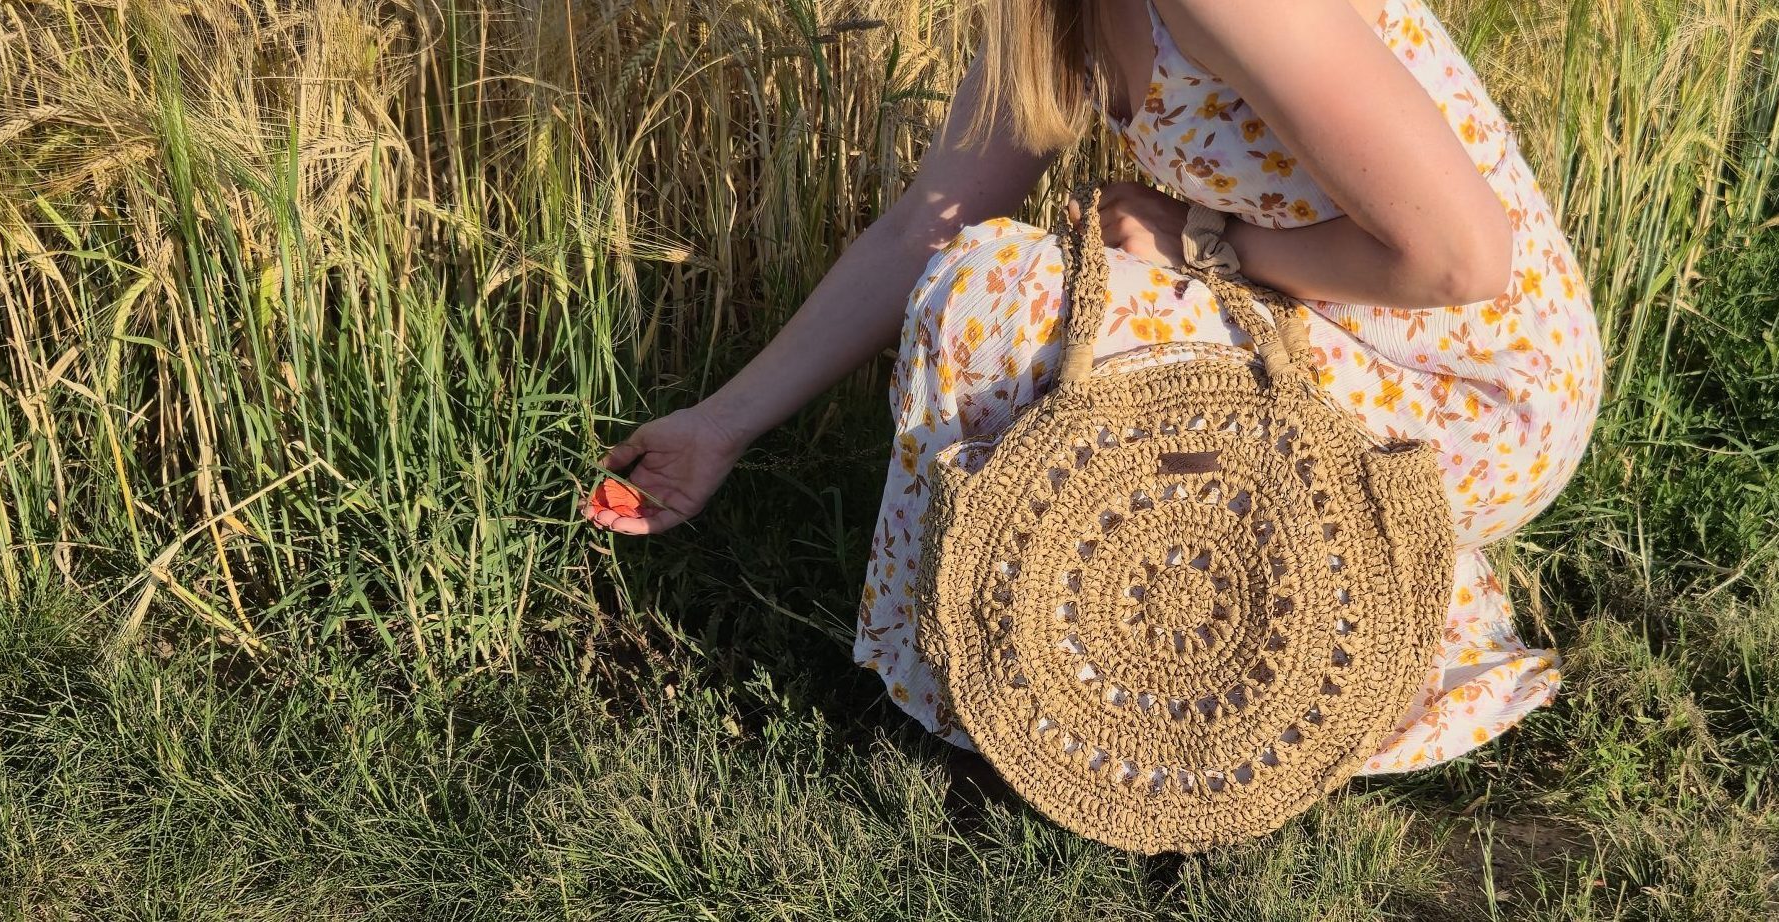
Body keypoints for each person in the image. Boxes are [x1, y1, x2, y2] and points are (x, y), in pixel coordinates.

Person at [584, 0, 1602, 774]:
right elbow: (924, 227)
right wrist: (719, 425)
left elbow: (1463, 260)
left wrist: (1201, 242)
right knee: (983, 277)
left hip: (1475, 395)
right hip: (1331, 336)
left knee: (1004, 296)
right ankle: (1080, 681)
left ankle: (1074, 688)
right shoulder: (1054, 15)